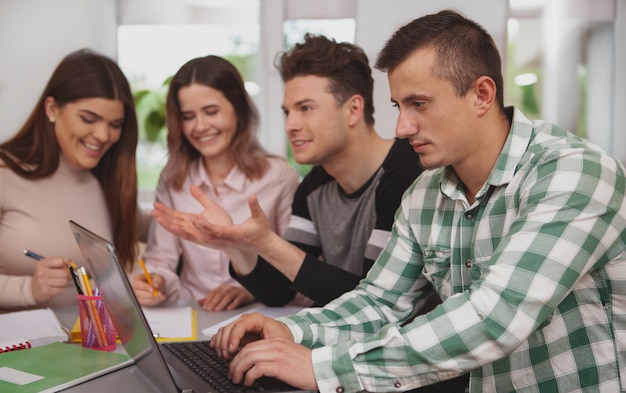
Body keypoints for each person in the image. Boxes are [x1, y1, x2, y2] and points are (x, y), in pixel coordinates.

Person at [158, 10, 626, 393]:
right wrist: (291, 328)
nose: (402, 126)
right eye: (400, 106)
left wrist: (322, 366)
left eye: (419, 104)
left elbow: (494, 318)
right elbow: (379, 301)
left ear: (482, 94)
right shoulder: (427, 191)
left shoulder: (573, 173)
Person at [152, 34, 424, 310]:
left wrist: (266, 241)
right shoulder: (314, 187)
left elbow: (375, 298)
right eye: (287, 112)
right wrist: (231, 242)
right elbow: (280, 291)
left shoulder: (407, 172)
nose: (290, 125)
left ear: (353, 109)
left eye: (306, 108)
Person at [130, 55, 299, 312]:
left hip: (260, 313)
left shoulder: (278, 176)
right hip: (193, 314)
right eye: (188, 116)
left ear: (238, 109)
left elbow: (296, 266)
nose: (200, 126)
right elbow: (160, 258)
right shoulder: (173, 178)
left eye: (211, 112)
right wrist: (156, 279)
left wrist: (249, 290)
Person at [0, 49, 143, 311]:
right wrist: (27, 289)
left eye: (116, 124)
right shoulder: (4, 172)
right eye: (88, 119)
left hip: (90, 346)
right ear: (52, 109)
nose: (103, 135)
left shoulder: (107, 179)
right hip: (18, 347)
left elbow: (156, 227)